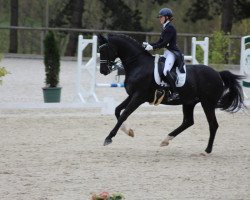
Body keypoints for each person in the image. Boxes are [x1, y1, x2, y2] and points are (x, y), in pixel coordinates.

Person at [144, 8, 182, 101]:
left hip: (172, 53)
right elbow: (159, 41)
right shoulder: (165, 27)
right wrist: (149, 45)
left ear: (167, 17)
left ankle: (175, 92)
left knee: (165, 71)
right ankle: (163, 87)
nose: (160, 19)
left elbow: (164, 43)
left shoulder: (170, 28)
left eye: (161, 17)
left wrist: (153, 48)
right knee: (158, 67)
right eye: (160, 17)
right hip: (167, 52)